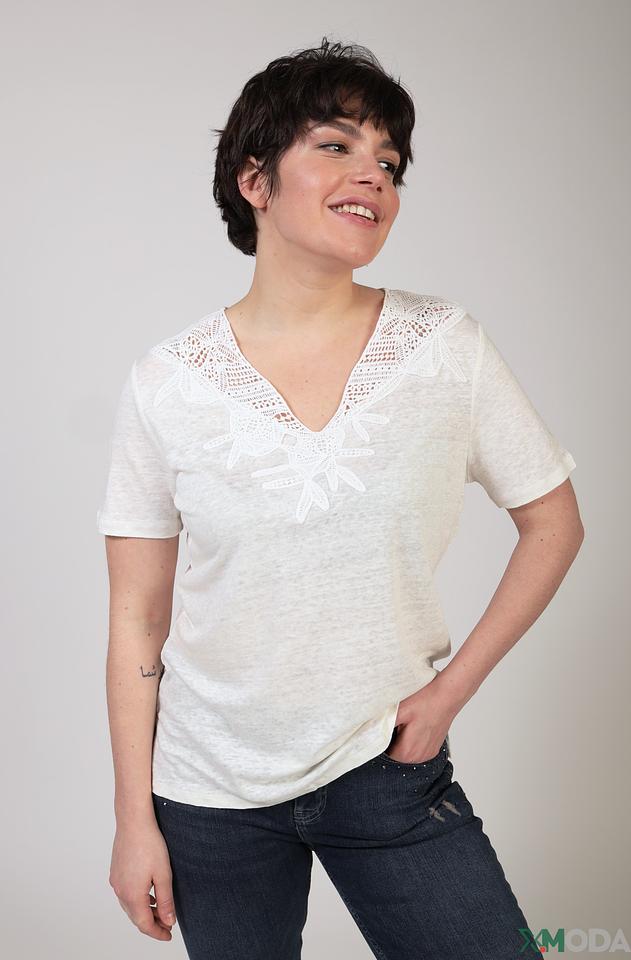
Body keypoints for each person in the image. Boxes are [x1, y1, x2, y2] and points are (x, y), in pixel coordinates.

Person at [97, 37, 583, 960]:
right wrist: (133, 821)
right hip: (207, 794)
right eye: (336, 145)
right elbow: (137, 618)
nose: (375, 176)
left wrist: (447, 695)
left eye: (390, 163)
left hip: (387, 766)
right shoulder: (167, 383)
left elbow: (553, 522)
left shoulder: (445, 348)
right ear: (255, 180)